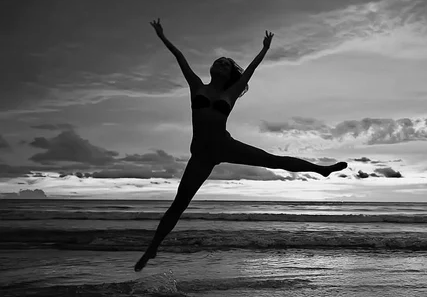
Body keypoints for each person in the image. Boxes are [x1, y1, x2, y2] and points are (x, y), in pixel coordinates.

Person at [134, 19, 348, 271]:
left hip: (225, 146)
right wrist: (162, 36)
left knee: (273, 160)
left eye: (225, 64)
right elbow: (179, 56)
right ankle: (153, 248)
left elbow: (251, 70)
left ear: (229, 73)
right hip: (202, 155)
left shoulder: (232, 92)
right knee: (179, 204)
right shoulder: (196, 86)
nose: (220, 64)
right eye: (218, 62)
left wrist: (265, 49)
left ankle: (320, 169)